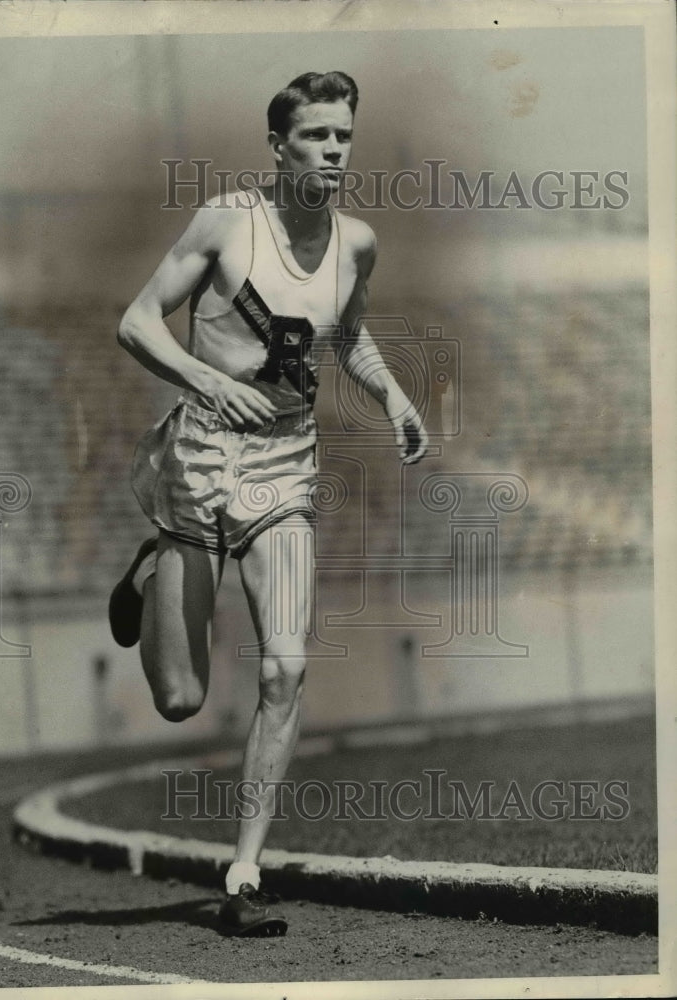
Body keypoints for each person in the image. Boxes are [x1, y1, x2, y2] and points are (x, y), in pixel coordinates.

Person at [109, 71, 428, 936]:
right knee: (180, 696)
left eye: (344, 136)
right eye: (317, 136)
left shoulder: (356, 243)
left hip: (284, 468)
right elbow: (137, 323)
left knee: (286, 667)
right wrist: (212, 380)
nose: (334, 150)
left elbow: (349, 333)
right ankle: (150, 572)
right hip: (203, 455)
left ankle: (242, 874)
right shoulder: (224, 223)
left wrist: (392, 396)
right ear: (279, 147)